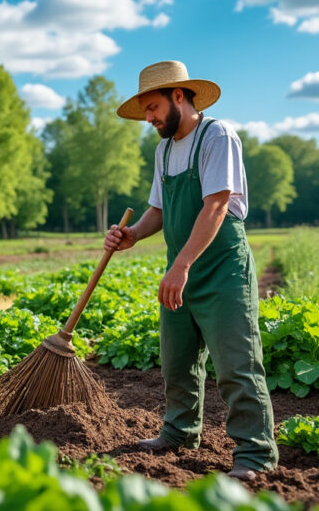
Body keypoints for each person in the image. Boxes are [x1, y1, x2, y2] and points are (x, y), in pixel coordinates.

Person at [103, 60, 278, 481]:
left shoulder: (217, 135)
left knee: (237, 363)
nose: (148, 118)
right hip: (181, 269)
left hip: (221, 270)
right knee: (177, 361)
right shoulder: (164, 150)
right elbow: (159, 210)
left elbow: (216, 204)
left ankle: (254, 454)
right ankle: (180, 432)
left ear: (177, 96)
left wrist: (181, 264)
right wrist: (132, 235)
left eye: (152, 108)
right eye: (145, 111)